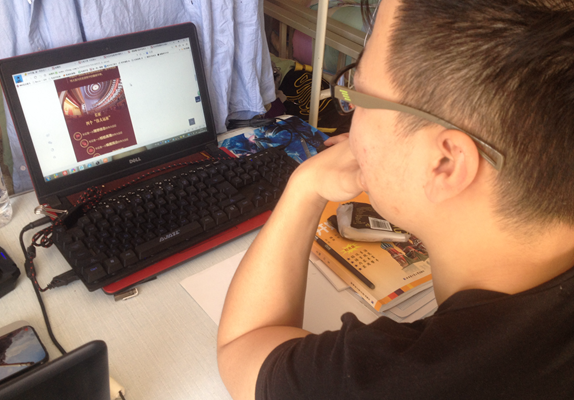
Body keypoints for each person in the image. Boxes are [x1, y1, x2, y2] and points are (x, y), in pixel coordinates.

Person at [217, 0, 574, 398]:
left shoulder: (397, 381)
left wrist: (305, 186)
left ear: (444, 163)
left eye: (358, 95)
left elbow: (243, 345)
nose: (350, 118)